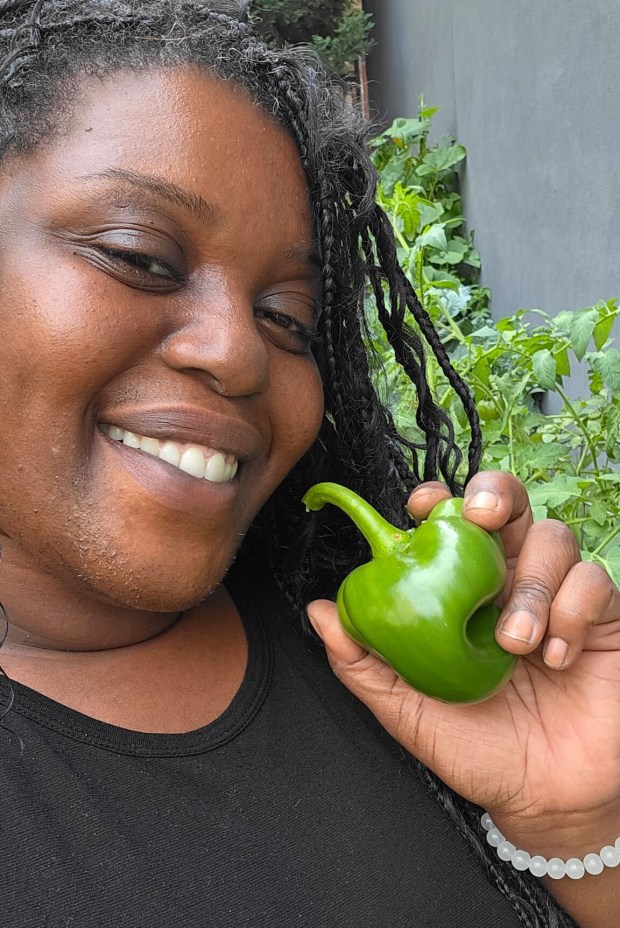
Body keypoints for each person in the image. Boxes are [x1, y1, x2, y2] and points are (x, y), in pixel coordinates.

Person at [0, 2, 617, 926]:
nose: (240, 353)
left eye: (288, 318)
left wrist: (578, 820)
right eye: (138, 256)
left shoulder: (358, 646)